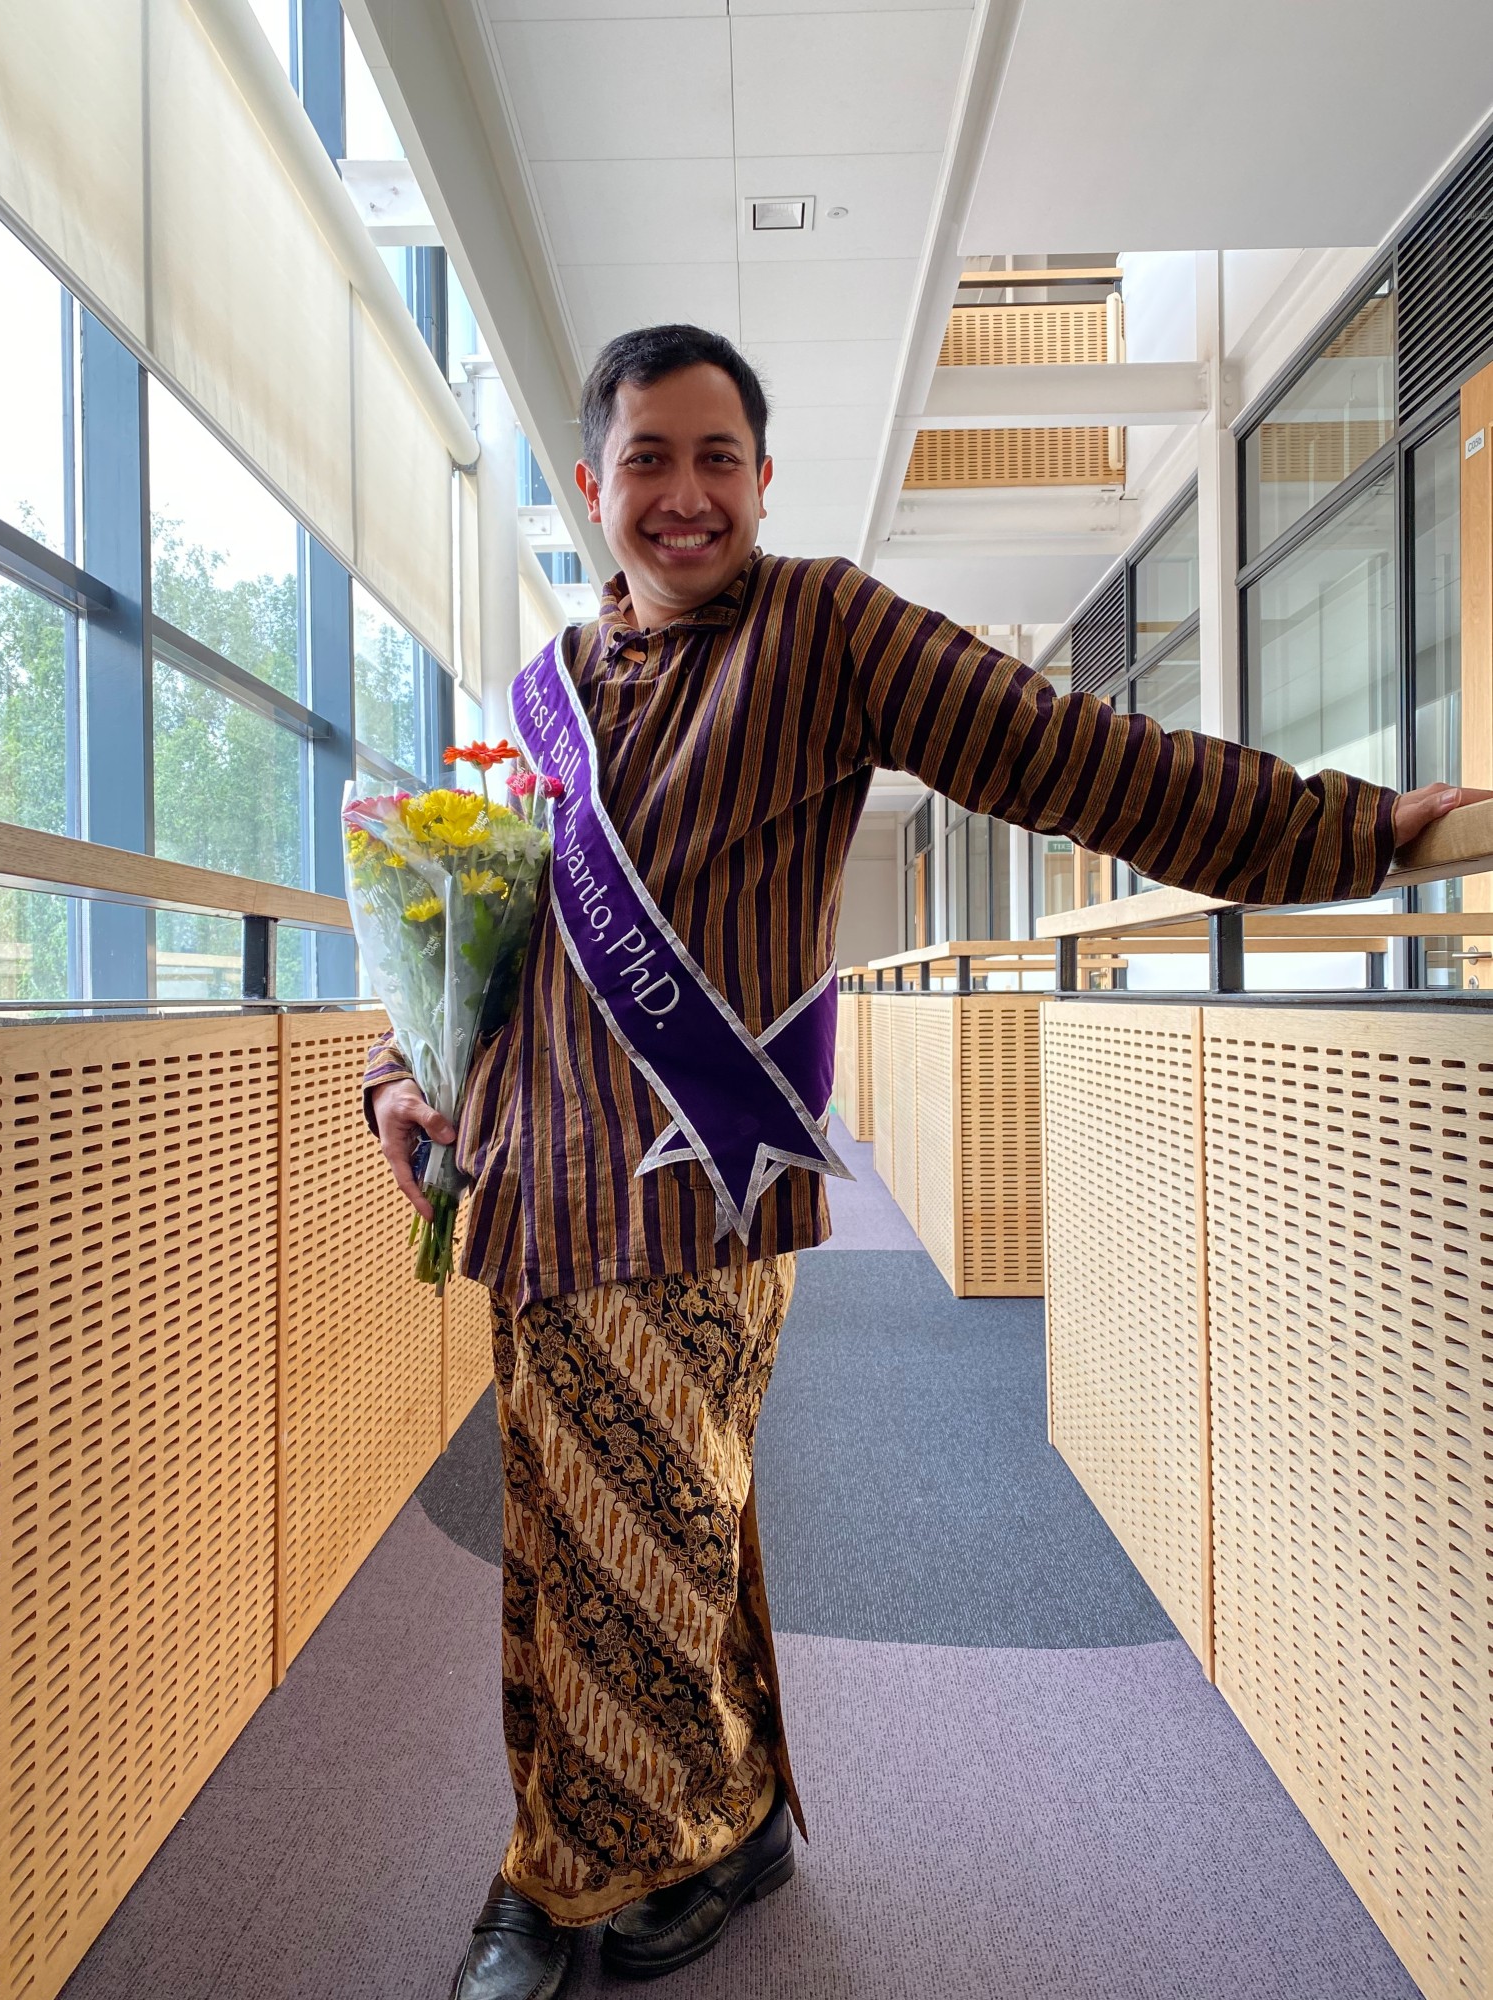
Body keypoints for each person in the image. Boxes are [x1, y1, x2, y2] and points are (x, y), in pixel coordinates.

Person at [364, 324, 1470, 2000]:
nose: (684, 493)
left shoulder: (824, 628)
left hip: (695, 1190)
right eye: (648, 459)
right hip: (531, 1190)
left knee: (640, 1544)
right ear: (592, 485)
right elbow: (487, 929)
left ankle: (557, 1882)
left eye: (717, 458)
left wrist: (1347, 827)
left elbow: (1075, 754)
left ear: (763, 478)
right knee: (582, 1546)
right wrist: (399, 1074)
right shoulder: (547, 697)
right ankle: (727, 1824)